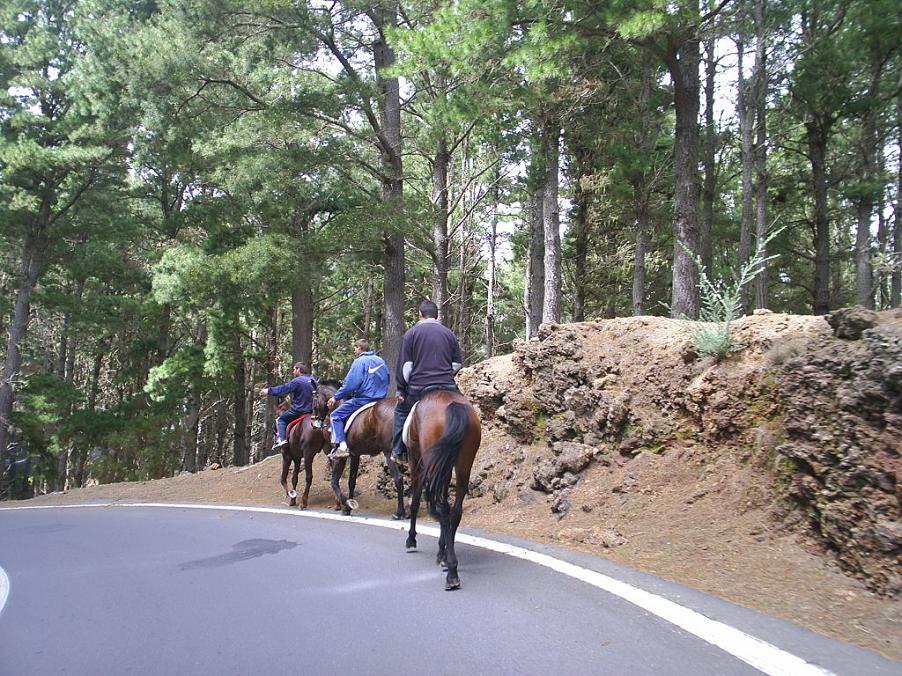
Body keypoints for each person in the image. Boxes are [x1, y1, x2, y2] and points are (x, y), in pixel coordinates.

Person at [391, 299, 462, 463]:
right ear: (436, 316)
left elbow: (405, 367)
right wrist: (444, 373)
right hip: (448, 386)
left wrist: (402, 389)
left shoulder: (411, 334)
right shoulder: (449, 334)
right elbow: (457, 363)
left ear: (420, 314)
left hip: (419, 388)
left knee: (400, 411)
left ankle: (398, 451)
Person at [327, 339, 389, 459]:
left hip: (363, 399)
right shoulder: (380, 360)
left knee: (335, 415)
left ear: (359, 348)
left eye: (355, 348)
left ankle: (342, 447)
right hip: (381, 399)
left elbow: (351, 384)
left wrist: (336, 397)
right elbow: (387, 378)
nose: (354, 350)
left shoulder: (359, 362)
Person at [259, 362, 317, 450]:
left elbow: (283, 389)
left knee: (280, 420)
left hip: (299, 410)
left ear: (298, 369)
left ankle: (281, 439)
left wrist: (268, 391)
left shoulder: (297, 381)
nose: (293, 372)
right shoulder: (313, 380)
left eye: (294, 369)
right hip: (312, 411)